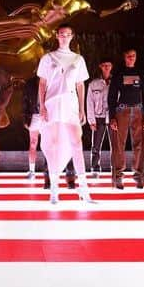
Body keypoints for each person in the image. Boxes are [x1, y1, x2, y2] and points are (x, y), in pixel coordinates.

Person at [35, 24, 94, 203]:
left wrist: (82, 108)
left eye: (68, 34)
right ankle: (54, 189)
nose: (64, 37)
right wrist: (42, 106)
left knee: (76, 144)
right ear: (57, 36)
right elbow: (42, 84)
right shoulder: (47, 58)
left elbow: (80, 85)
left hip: (70, 105)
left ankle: (83, 189)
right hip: (52, 104)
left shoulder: (78, 59)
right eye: (61, 34)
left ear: (72, 36)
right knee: (52, 145)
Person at [108, 49, 144, 189]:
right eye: (128, 56)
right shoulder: (118, 74)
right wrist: (112, 117)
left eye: (133, 55)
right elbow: (112, 96)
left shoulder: (141, 73)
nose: (131, 58)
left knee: (140, 145)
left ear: (136, 57)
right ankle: (118, 178)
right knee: (118, 145)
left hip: (138, 111)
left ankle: (139, 176)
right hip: (122, 110)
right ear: (124, 57)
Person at [85, 58, 113, 177]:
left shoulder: (116, 82)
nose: (106, 67)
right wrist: (91, 120)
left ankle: (115, 166)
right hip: (98, 117)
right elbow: (89, 102)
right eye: (104, 65)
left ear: (111, 67)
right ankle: (95, 166)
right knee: (96, 145)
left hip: (112, 117)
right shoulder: (94, 83)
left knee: (115, 145)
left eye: (108, 65)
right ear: (100, 67)